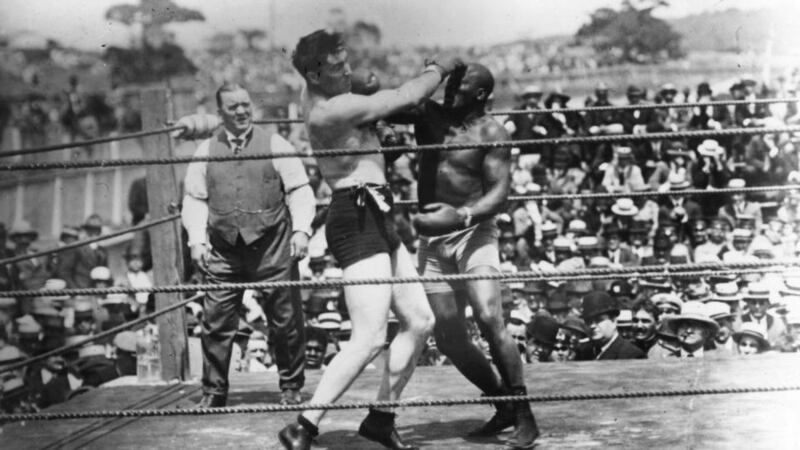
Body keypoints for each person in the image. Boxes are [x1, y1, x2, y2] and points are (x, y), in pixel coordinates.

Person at [275, 30, 451, 450]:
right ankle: (303, 424)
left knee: (421, 320)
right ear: (315, 76)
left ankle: (381, 418)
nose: (348, 71)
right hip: (354, 217)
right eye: (337, 67)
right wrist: (438, 68)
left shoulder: (329, 93)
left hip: (377, 212)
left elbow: (369, 98)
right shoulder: (327, 109)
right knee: (370, 336)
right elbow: (403, 99)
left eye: (346, 61)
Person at [386, 62, 539, 448]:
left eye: (459, 87)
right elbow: (398, 102)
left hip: (474, 232)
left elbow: (499, 193)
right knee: (449, 335)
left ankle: (524, 415)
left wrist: (465, 214)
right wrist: (434, 72)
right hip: (435, 240)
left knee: (490, 316)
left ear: (481, 94)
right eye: (448, 86)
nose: (449, 93)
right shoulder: (428, 116)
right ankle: (502, 403)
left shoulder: (492, 132)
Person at [176, 83, 315, 408]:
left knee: (285, 320)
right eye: (233, 107)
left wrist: (302, 231)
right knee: (215, 321)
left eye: (244, 105)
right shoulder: (206, 150)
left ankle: (291, 387)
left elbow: (299, 189)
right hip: (225, 248)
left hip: (272, 245)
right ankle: (213, 392)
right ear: (220, 113)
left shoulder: (275, 144)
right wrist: (196, 240)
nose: (241, 112)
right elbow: (194, 198)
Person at [575, 291, 646, 360]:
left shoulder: (632, 355)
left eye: (598, 320)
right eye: (588, 321)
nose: (592, 326)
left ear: (613, 321)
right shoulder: (583, 352)